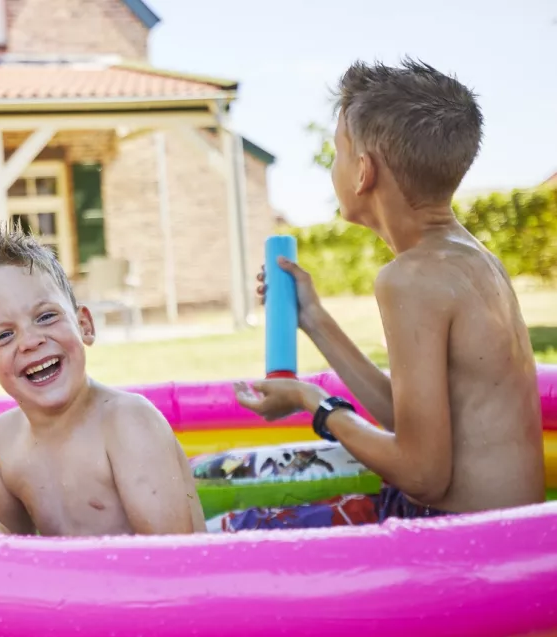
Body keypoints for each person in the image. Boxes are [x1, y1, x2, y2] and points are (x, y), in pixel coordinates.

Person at [232, 58, 545, 527]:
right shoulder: (471, 258)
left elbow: (422, 476)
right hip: (510, 532)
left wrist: (311, 401)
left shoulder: (410, 278)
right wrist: (312, 317)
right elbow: (411, 423)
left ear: (363, 172)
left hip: (457, 539)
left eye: (337, 152)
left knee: (238, 527)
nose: (333, 168)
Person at [0, 222, 206, 536]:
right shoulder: (3, 440)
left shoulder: (127, 422)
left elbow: (171, 556)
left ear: (84, 325)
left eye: (46, 316)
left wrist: (15, 551)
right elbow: (7, 548)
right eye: (4, 335)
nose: (31, 341)